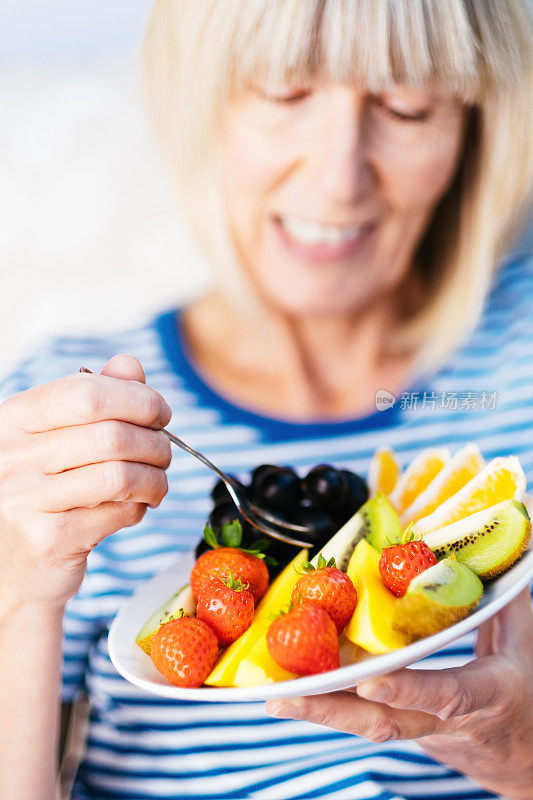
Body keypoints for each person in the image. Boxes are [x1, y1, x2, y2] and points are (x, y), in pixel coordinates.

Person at [1, 1, 533, 799]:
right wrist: (17, 594)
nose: (336, 175)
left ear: (474, 126)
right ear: (199, 100)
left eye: (405, 105)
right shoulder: (64, 416)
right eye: (284, 92)